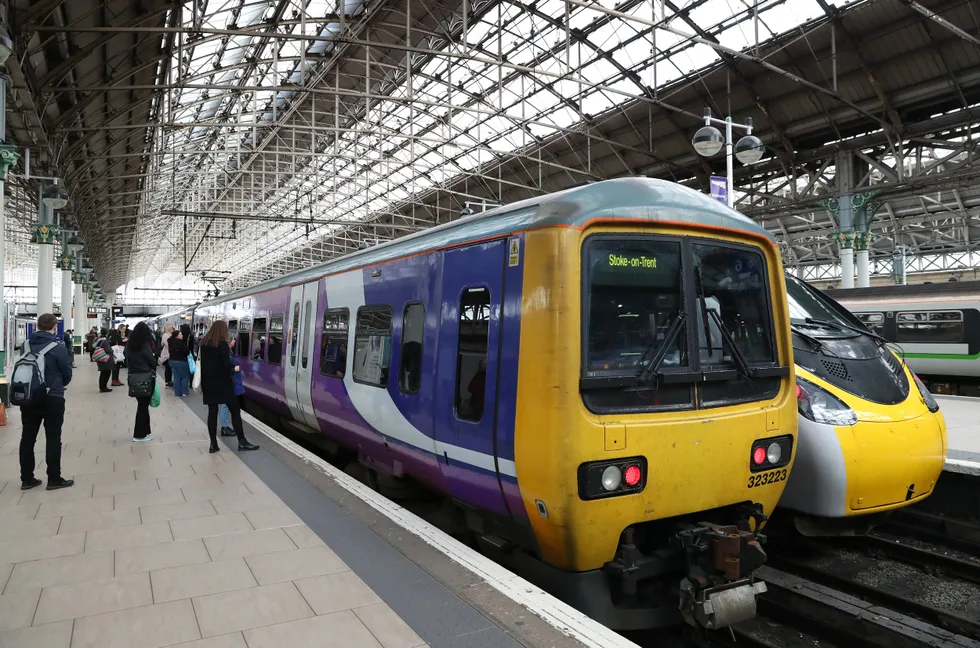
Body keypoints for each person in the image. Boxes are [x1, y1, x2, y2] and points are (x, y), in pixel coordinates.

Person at [18, 313, 74, 490]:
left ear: (37, 326)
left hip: (29, 397)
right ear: (55, 327)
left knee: (27, 438)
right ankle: (54, 479)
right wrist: (57, 385)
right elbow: (67, 374)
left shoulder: (25, 345)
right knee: (53, 438)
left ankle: (27, 479)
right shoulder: (58, 347)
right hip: (53, 397)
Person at [199, 320, 258, 454]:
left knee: (212, 413)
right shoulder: (222, 344)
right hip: (223, 384)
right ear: (223, 331)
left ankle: (213, 444)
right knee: (235, 412)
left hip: (208, 383)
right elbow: (226, 365)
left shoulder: (204, 343)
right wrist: (233, 369)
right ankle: (242, 442)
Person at [124, 322, 156, 442]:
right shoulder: (144, 345)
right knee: (143, 407)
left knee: (142, 405)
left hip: (133, 377)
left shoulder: (129, 346)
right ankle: (139, 435)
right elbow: (151, 360)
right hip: (146, 377)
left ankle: (146, 432)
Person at [218, 338, 246, 437]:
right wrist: (234, 369)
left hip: (233, 382)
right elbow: (224, 368)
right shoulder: (226, 353)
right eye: (233, 340)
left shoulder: (229, 352)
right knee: (224, 406)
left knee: (225, 405)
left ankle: (225, 426)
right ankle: (224, 428)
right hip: (230, 383)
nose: (235, 341)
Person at [169, 324, 192, 397]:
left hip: (172, 361)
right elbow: (187, 352)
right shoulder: (181, 343)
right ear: (177, 336)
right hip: (181, 362)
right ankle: (184, 392)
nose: (182, 335)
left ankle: (177, 392)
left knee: (176, 377)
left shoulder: (171, 342)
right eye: (180, 334)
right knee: (185, 377)